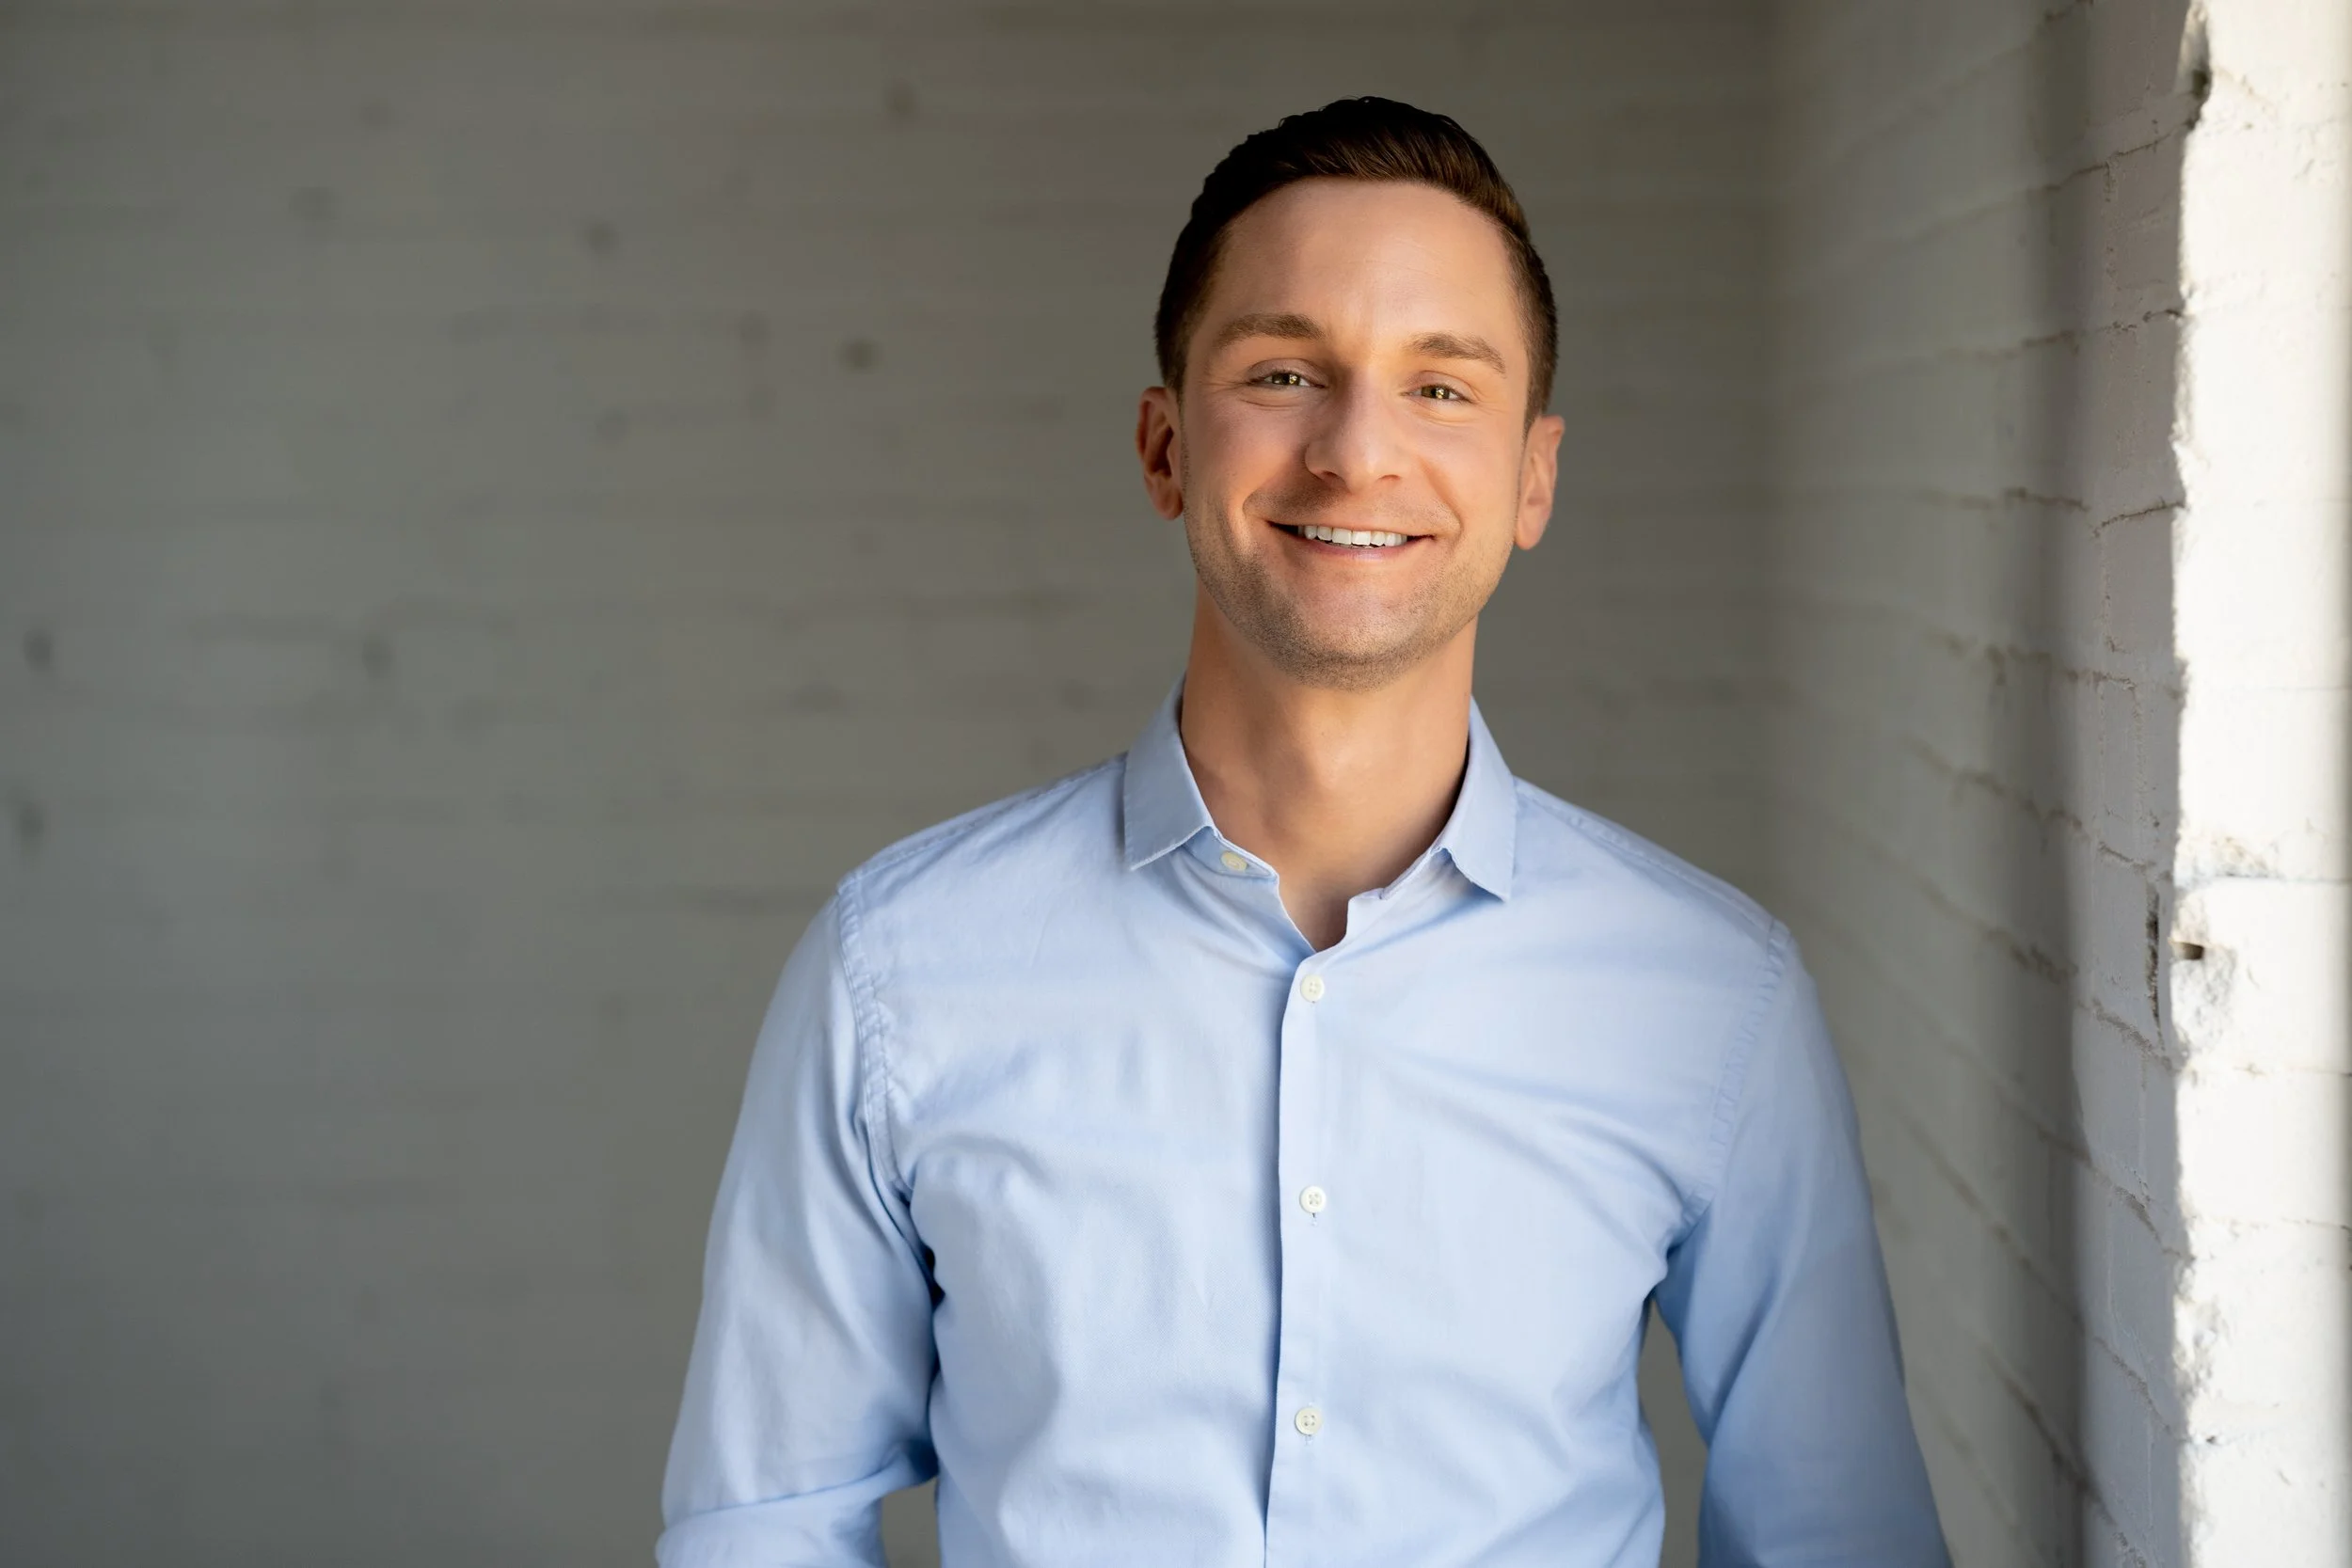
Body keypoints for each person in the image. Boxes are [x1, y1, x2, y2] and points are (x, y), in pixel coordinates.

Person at [656, 97, 1947, 1567]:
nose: (1355, 450)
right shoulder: (899, 968)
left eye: (1441, 387)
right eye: (1284, 373)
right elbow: (764, 1520)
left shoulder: (1715, 999)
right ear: (1165, 449)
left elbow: (1843, 1540)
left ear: (1533, 477)